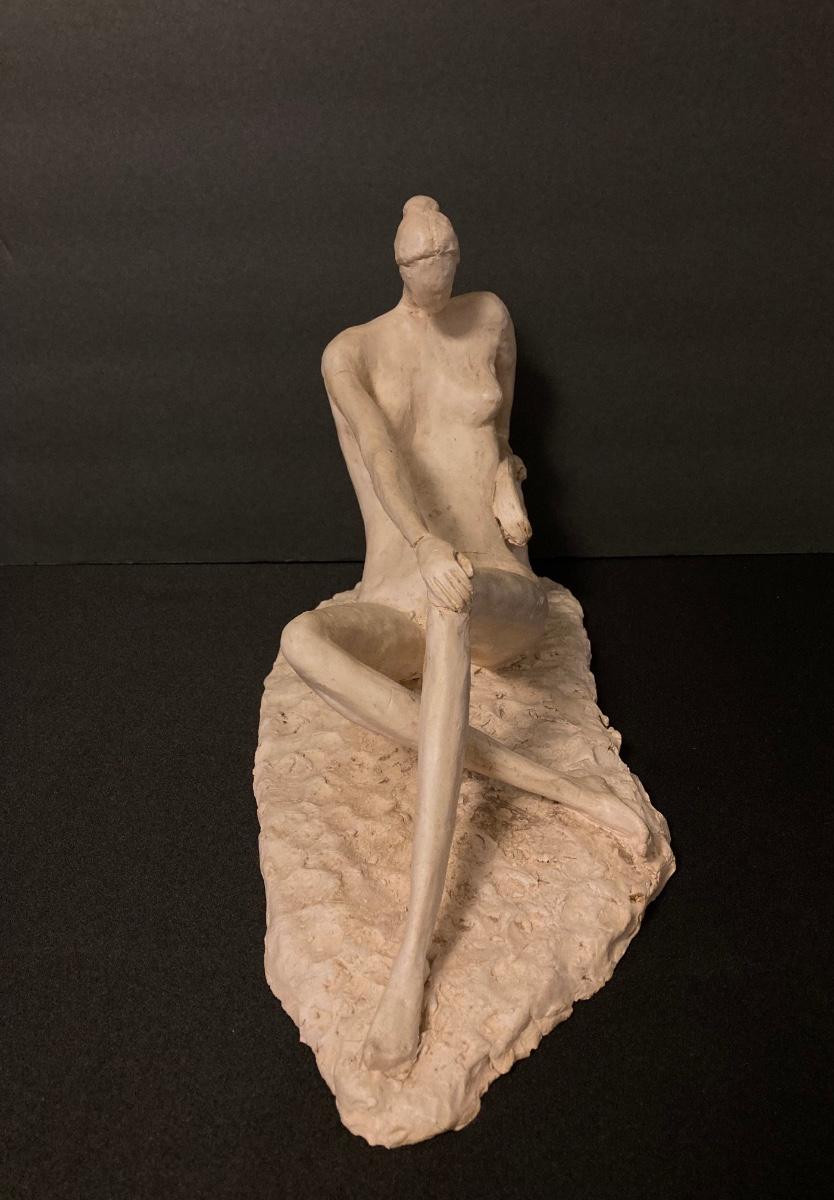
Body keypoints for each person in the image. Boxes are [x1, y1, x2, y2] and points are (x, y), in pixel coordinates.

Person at [280, 196, 649, 1076]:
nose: (439, 272)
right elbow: (381, 453)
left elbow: (500, 438)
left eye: (448, 255)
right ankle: (563, 789)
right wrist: (423, 545)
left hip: (497, 593)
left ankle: (413, 956)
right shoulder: (350, 352)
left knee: (454, 608)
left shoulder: (490, 318)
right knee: (302, 640)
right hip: (403, 583)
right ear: (398, 265)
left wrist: (508, 487)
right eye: (423, 262)